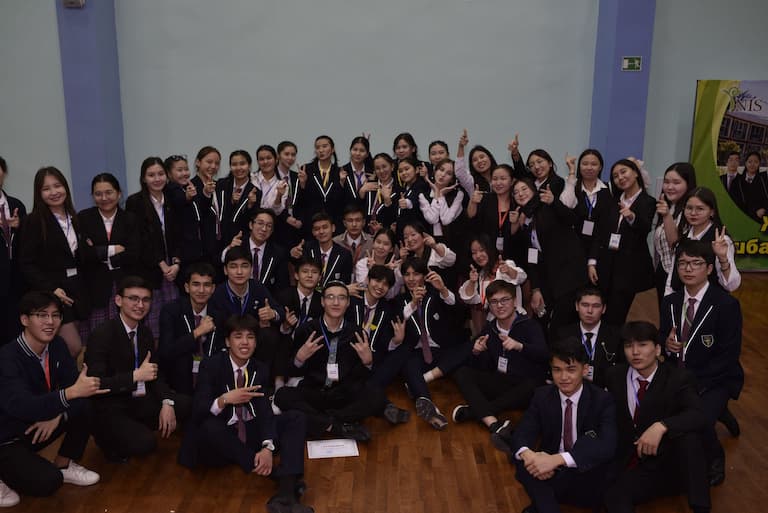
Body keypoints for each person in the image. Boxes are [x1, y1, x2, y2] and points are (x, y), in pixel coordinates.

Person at [178, 314, 313, 513]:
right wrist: (224, 400)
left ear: (256, 342)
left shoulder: (260, 369)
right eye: (238, 336)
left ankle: (285, 494)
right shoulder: (211, 365)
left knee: (295, 418)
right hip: (218, 443)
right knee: (209, 426)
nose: (244, 342)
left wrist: (267, 447)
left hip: (246, 434)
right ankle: (276, 474)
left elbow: (265, 412)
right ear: (227, 341)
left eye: (250, 337)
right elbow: (198, 409)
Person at [0, 292, 104, 506]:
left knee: (86, 402)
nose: (50, 322)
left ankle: (64, 464)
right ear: (24, 319)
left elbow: (76, 387)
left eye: (55, 315)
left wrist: (57, 414)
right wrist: (68, 395)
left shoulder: (56, 345)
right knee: (48, 482)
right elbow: (22, 405)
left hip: (36, 425)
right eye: (42, 315)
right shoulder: (7, 357)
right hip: (6, 437)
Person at [659, 239, 744, 487]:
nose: (688, 269)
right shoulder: (670, 302)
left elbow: (729, 355)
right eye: (683, 263)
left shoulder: (726, 304)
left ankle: (715, 458)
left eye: (695, 263)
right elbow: (662, 335)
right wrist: (666, 344)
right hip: (678, 374)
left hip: (715, 378)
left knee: (700, 420)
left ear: (708, 269)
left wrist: (695, 383)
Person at [498, 337, 617, 513]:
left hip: (584, 471)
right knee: (522, 461)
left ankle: (542, 506)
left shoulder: (602, 400)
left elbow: (607, 445)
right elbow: (523, 431)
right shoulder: (542, 396)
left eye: (571, 370)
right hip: (549, 470)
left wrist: (556, 460)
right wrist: (530, 456)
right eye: (557, 370)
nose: (563, 377)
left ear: (585, 370)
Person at [603, 321, 710, 513]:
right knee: (614, 497)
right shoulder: (614, 376)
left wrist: (661, 426)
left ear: (658, 349)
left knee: (690, 438)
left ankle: (700, 506)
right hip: (630, 460)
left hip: (666, 460)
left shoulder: (677, 378)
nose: (635, 352)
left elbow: (699, 414)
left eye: (642, 345)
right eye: (629, 345)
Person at [85, 276, 191, 461]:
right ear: (119, 300)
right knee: (145, 444)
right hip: (111, 405)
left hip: (138, 399)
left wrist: (167, 401)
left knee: (186, 403)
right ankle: (109, 440)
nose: (140, 305)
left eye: (145, 300)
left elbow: (155, 374)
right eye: (133, 299)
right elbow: (95, 384)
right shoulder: (102, 334)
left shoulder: (145, 333)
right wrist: (135, 376)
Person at [274, 281, 388, 441]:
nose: (336, 302)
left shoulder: (357, 333)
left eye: (341, 298)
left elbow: (360, 376)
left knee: (376, 396)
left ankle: (322, 421)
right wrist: (299, 359)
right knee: (282, 396)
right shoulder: (306, 330)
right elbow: (291, 370)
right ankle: (336, 426)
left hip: (342, 392)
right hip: (314, 390)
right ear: (322, 301)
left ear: (348, 302)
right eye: (330, 297)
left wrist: (368, 363)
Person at [452, 280, 547, 437]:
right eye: (494, 302)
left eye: (505, 300)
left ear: (514, 301)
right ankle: (493, 423)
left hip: (526, 387)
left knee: (533, 385)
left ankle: (475, 412)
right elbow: (484, 366)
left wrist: (520, 346)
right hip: (502, 382)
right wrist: (477, 353)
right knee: (462, 372)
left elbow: (544, 355)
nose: (500, 306)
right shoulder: (490, 329)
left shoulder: (530, 325)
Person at [19, 167, 94, 357]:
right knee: (72, 346)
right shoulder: (33, 221)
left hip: (77, 290)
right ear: (39, 193)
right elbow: (26, 264)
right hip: (53, 293)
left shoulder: (74, 218)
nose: (53, 192)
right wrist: (51, 289)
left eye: (57, 186)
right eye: (46, 189)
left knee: (81, 346)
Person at [396, 258, 469, 430]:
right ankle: (430, 408)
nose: (411, 278)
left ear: (424, 275)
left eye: (416, 274)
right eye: (407, 274)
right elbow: (399, 319)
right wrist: (413, 303)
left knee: (467, 349)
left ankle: (424, 379)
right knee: (408, 364)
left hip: (441, 349)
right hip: (417, 351)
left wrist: (443, 289)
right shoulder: (400, 300)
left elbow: (458, 309)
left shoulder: (436, 294)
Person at [510, 178, 587, 337]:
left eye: (524, 189)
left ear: (534, 191)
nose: (520, 194)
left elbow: (572, 219)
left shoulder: (547, 206)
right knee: (542, 321)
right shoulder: (524, 219)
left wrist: (554, 202)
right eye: (516, 192)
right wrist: (536, 289)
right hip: (548, 279)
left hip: (569, 276)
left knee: (563, 324)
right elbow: (531, 259)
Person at [588, 159, 656, 326]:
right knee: (605, 316)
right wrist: (592, 262)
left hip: (631, 271)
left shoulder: (648, 201)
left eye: (623, 172)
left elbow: (645, 228)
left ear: (635, 173)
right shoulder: (613, 202)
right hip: (607, 267)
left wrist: (631, 217)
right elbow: (600, 234)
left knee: (622, 318)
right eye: (615, 176)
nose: (620, 178)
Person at [77, 173, 140, 342]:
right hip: (95, 287)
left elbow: (134, 253)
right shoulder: (84, 218)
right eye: (98, 194)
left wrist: (99, 253)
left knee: (125, 336)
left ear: (119, 194)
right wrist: (113, 250)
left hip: (124, 283)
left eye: (109, 192)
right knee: (97, 338)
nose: (104, 198)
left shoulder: (130, 219)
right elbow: (83, 253)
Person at [125, 157, 182, 339]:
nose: (157, 179)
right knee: (153, 323)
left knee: (174, 320)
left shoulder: (173, 199)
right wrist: (161, 264)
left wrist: (176, 263)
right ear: (143, 178)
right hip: (150, 269)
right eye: (151, 175)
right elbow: (141, 238)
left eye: (160, 174)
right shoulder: (135, 202)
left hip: (173, 269)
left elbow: (180, 233)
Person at [209, 246, 284, 376]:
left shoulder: (257, 287)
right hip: (228, 343)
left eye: (244, 266)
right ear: (225, 270)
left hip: (253, 342)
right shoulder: (218, 294)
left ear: (251, 269)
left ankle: (265, 378)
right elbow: (218, 330)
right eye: (233, 266)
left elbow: (280, 312)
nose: (239, 272)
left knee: (270, 334)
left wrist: (272, 314)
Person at [158, 262, 225, 395]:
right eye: (196, 284)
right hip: (177, 382)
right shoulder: (171, 311)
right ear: (187, 287)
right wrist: (197, 332)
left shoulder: (219, 314)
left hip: (210, 382)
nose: (201, 290)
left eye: (206, 285)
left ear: (213, 288)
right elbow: (166, 352)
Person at [665, 187, 740, 295]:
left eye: (700, 209)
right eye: (689, 208)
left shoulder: (721, 240)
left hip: (711, 300)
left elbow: (731, 285)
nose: (693, 213)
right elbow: (672, 279)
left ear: (712, 212)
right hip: (683, 300)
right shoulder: (682, 239)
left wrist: (722, 258)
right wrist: (668, 300)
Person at [459, 235, 527, 336]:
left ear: (490, 249)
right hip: (494, 324)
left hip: (515, 321)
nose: (478, 255)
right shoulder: (481, 275)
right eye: (474, 252)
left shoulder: (505, 265)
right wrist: (472, 282)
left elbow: (522, 277)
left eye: (482, 250)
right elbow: (473, 300)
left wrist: (509, 270)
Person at [556, 287, 622, 388]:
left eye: (596, 306)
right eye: (585, 305)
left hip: (604, 389)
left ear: (604, 309)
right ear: (577, 306)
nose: (590, 311)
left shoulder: (616, 335)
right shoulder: (563, 334)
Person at [652, 163, 697, 308]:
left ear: (688, 184)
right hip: (664, 271)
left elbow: (675, 244)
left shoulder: (691, 211)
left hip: (682, 275)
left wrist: (666, 216)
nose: (670, 187)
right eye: (666, 182)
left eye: (676, 182)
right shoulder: (668, 206)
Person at [223, 208, 289, 296]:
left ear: (272, 230)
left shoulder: (278, 253)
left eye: (269, 226)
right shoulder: (238, 244)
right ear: (251, 225)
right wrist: (228, 249)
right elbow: (218, 264)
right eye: (260, 223)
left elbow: (282, 285)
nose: (264, 229)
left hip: (266, 298)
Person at [559, 149, 611, 256]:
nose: (589, 167)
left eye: (594, 164)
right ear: (579, 166)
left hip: (601, 246)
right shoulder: (572, 186)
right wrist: (572, 172)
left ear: (600, 167)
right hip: (575, 245)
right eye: (585, 164)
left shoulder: (608, 188)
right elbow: (566, 204)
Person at [0, 156, 27, 346]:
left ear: (4, 172)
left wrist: (20, 227)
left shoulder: (16, 204)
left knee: (17, 337)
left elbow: (27, 243)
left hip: (17, 283)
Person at [294, 135, 345, 232]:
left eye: (324, 146)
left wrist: (342, 184)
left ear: (332, 149)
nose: (321, 150)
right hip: (311, 224)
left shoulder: (339, 172)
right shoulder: (306, 170)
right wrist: (303, 184)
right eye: (317, 147)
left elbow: (341, 202)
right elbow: (300, 201)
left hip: (333, 224)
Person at [290, 212, 353, 288]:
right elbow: (296, 267)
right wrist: (293, 254)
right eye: (317, 229)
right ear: (313, 232)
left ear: (333, 228)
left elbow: (345, 283)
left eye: (325, 227)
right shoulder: (306, 249)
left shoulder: (344, 254)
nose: (321, 231)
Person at [216, 150, 262, 247]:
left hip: (240, 240)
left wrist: (250, 206)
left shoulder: (255, 192)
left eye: (242, 164)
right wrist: (231, 202)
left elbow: (251, 221)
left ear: (249, 166)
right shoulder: (221, 184)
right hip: (218, 239)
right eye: (234, 164)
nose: (238, 168)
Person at [353, 228, 403, 299]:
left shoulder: (395, 267)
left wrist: (389, 272)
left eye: (386, 244)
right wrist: (371, 270)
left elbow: (391, 295)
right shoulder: (363, 263)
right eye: (378, 242)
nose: (381, 247)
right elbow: (362, 288)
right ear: (373, 243)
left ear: (391, 249)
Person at [363, 153, 398, 236]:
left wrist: (387, 201)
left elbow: (396, 217)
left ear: (392, 167)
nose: (381, 171)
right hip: (366, 234)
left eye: (384, 166)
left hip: (386, 235)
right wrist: (361, 193)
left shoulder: (398, 190)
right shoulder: (369, 185)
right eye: (377, 168)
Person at [251, 145, 289, 217]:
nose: (265, 162)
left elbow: (277, 212)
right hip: (251, 220)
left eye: (269, 158)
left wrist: (279, 196)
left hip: (271, 221)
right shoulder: (251, 179)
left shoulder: (282, 184)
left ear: (276, 160)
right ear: (258, 162)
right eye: (261, 159)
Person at [333, 203, 373, 268]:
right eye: (350, 220)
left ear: (363, 222)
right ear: (344, 223)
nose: (354, 224)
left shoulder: (372, 242)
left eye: (358, 220)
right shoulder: (335, 242)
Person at [740, 150, 768, 221]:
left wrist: (764, 209)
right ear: (745, 163)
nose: (752, 164)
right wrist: (754, 210)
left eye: (756, 162)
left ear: (759, 164)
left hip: (760, 218)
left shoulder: (764, 179)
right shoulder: (738, 180)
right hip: (742, 217)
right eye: (750, 162)